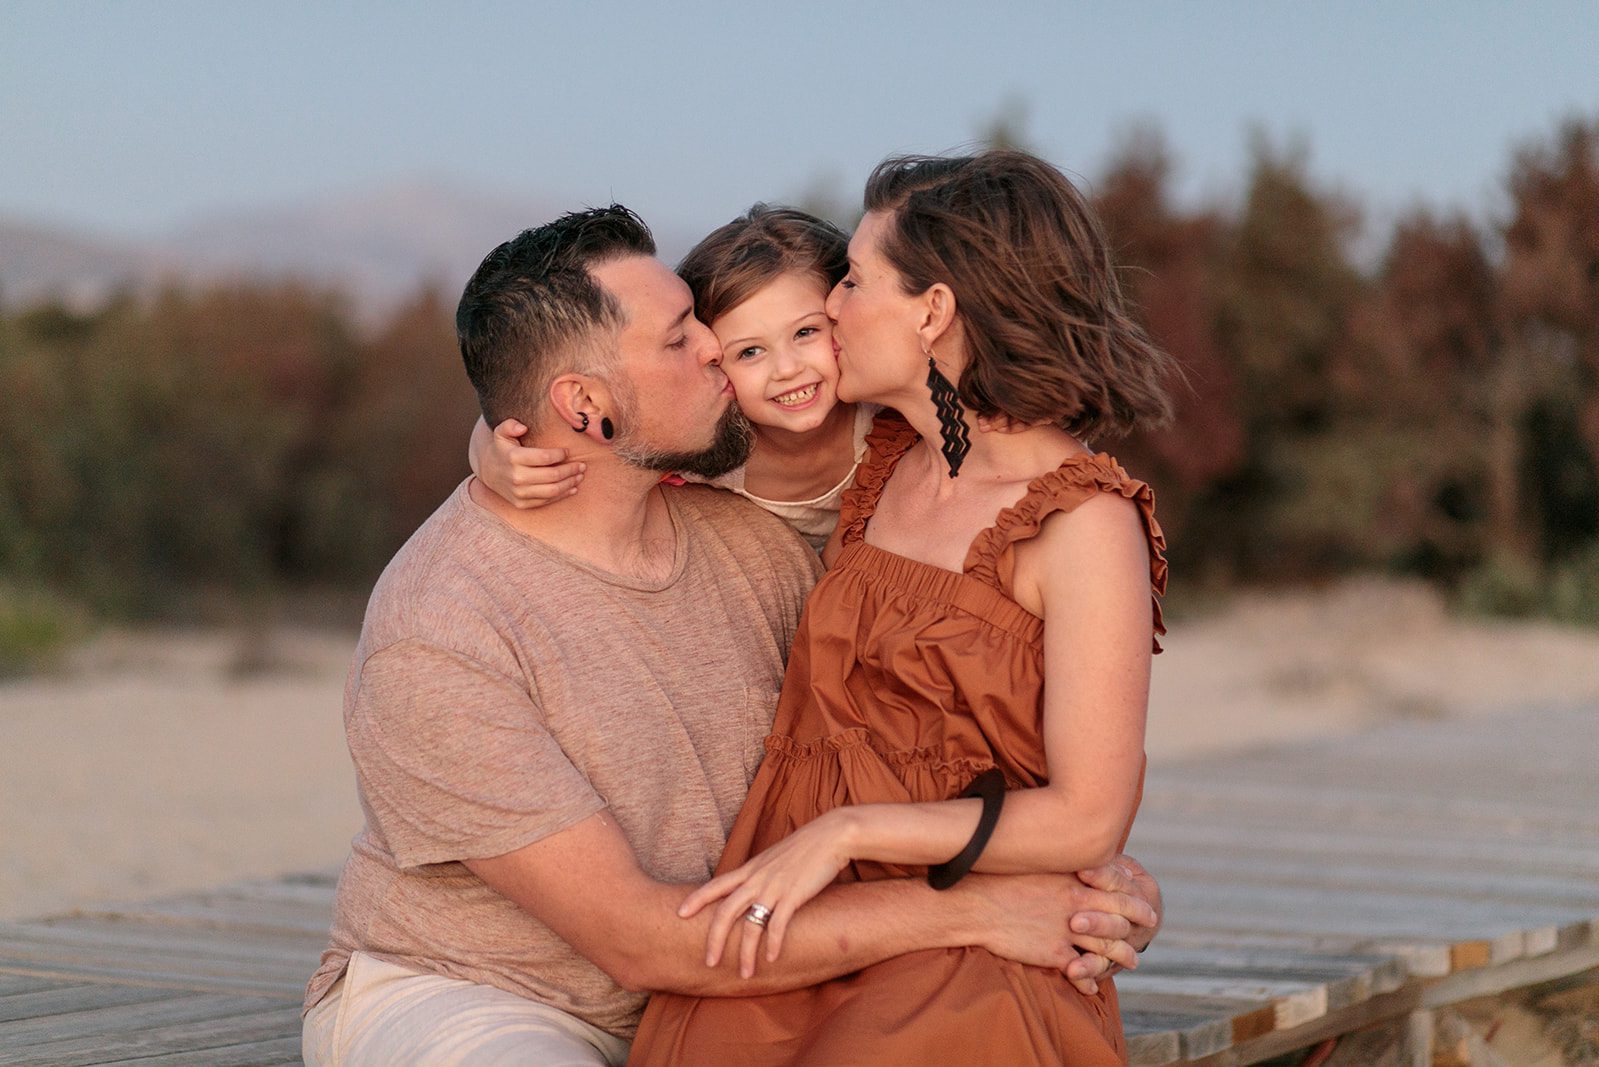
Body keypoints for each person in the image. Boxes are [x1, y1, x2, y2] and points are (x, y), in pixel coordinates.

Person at [302, 204, 1162, 1066]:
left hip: (758, 972)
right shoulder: (442, 634)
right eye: (684, 338)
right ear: (586, 404)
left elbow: (925, 719)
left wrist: (1082, 877)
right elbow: (640, 941)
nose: (719, 349)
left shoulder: (762, 536)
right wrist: (981, 906)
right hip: (491, 995)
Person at [630, 150, 1176, 1066]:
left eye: (851, 279)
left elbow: (1088, 818)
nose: (832, 307)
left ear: (933, 311)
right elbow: (624, 420)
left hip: (969, 941)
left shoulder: (1082, 522)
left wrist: (844, 831)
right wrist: (495, 443)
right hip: (799, 921)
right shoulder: (879, 460)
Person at [470, 204, 871, 552]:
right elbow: (538, 399)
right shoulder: (713, 445)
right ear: (718, 361)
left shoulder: (879, 408)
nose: (788, 369)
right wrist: (489, 454)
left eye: (806, 333)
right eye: (749, 352)